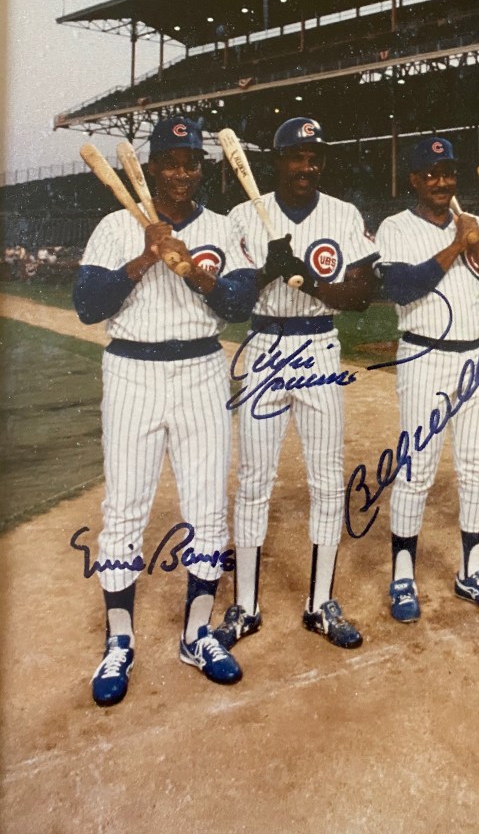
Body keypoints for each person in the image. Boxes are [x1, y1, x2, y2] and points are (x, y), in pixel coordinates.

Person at [73, 116, 256, 706]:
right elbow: (85, 305)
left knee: (208, 507)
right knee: (124, 509)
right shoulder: (114, 226)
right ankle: (119, 643)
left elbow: (238, 302)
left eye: (191, 162)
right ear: (151, 167)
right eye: (171, 161)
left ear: (201, 169)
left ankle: (197, 633)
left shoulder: (223, 228)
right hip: (131, 371)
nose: (181, 172)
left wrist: (193, 273)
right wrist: (145, 258)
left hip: (202, 369)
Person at [214, 117, 378, 651]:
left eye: (314, 157)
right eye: (295, 157)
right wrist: (266, 270)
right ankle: (245, 606)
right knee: (255, 479)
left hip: (318, 347)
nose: (306, 166)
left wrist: (309, 276)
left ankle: (320, 602)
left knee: (328, 479)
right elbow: (232, 303)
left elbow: (359, 297)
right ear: (276, 162)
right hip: (262, 347)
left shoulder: (343, 213)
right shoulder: (242, 214)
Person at [375, 135, 479, 623]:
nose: (441, 182)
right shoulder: (395, 227)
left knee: (477, 464)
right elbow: (399, 287)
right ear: (414, 181)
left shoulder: (474, 227)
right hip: (425, 355)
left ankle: (471, 571)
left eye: (448, 174)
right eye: (431, 174)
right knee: (417, 468)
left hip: (476, 355)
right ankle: (403, 576)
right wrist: (456, 246)